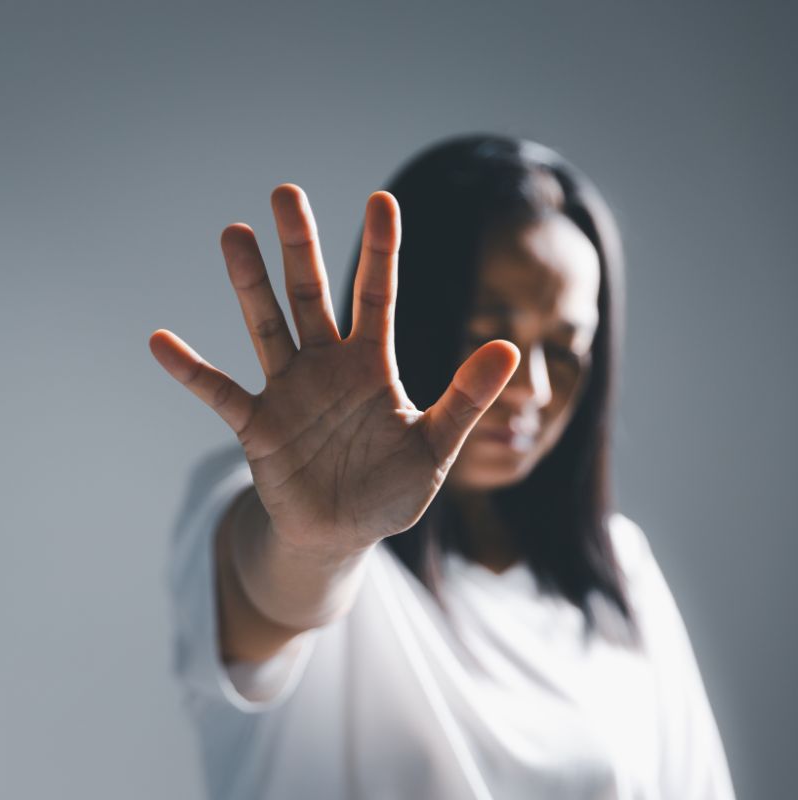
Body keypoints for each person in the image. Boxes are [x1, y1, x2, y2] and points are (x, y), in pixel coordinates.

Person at [148, 135, 736, 799]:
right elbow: (269, 589)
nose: (531, 387)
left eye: (566, 349)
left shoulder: (620, 576)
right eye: (487, 331)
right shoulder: (271, 496)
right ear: (412, 318)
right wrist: (319, 544)